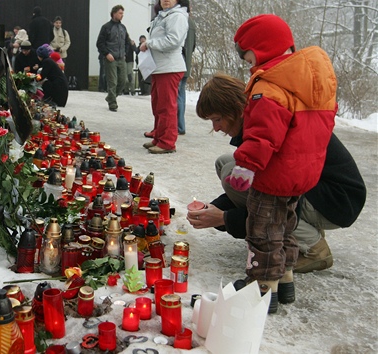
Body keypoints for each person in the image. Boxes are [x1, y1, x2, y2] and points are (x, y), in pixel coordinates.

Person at [200, 15, 337, 314]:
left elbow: (263, 136)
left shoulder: (270, 87)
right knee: (285, 229)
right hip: (300, 177)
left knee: (262, 232)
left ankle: (261, 288)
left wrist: (245, 168)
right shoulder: (310, 84)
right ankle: (284, 280)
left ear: (262, 49)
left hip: (273, 176)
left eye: (249, 56)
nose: (249, 64)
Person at [192, 73, 366, 276]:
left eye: (218, 119)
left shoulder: (269, 127)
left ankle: (312, 246)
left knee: (234, 175)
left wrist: (225, 218)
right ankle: (301, 231)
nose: (216, 128)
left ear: (237, 110)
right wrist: (214, 208)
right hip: (317, 190)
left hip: (336, 202)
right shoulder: (259, 117)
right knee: (227, 164)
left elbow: (276, 198)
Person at [139, 0, 188, 154]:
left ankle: (167, 142)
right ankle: (159, 137)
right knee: (158, 105)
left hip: (170, 67)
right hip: (159, 68)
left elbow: (173, 41)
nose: (166, 0)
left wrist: (149, 43)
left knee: (167, 107)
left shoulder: (177, 16)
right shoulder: (162, 16)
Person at [96, 5, 129, 112]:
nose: (122, 15)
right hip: (110, 58)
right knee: (112, 82)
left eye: (123, 13)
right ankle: (112, 103)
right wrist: (106, 54)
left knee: (123, 81)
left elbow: (127, 42)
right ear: (114, 13)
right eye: (120, 13)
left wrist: (125, 53)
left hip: (121, 58)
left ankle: (111, 97)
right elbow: (100, 43)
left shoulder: (123, 28)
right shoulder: (106, 27)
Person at [176, 0, 196, 135]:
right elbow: (193, 45)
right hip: (186, 64)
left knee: (176, 96)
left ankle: (178, 126)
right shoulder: (192, 23)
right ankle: (181, 126)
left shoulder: (180, 21)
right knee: (181, 95)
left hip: (178, 64)